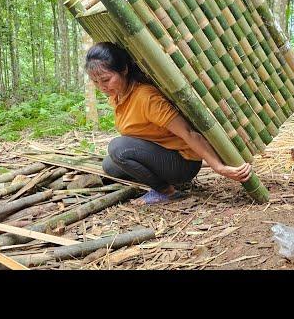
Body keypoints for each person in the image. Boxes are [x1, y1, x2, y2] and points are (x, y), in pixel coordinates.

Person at [85, 42, 251, 205]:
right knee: (110, 165)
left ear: (124, 70)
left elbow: (188, 133)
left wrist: (219, 168)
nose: (102, 87)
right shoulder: (117, 97)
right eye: (96, 82)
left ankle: (166, 192)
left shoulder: (146, 98)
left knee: (118, 148)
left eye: (106, 80)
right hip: (161, 155)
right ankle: (162, 180)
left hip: (183, 163)